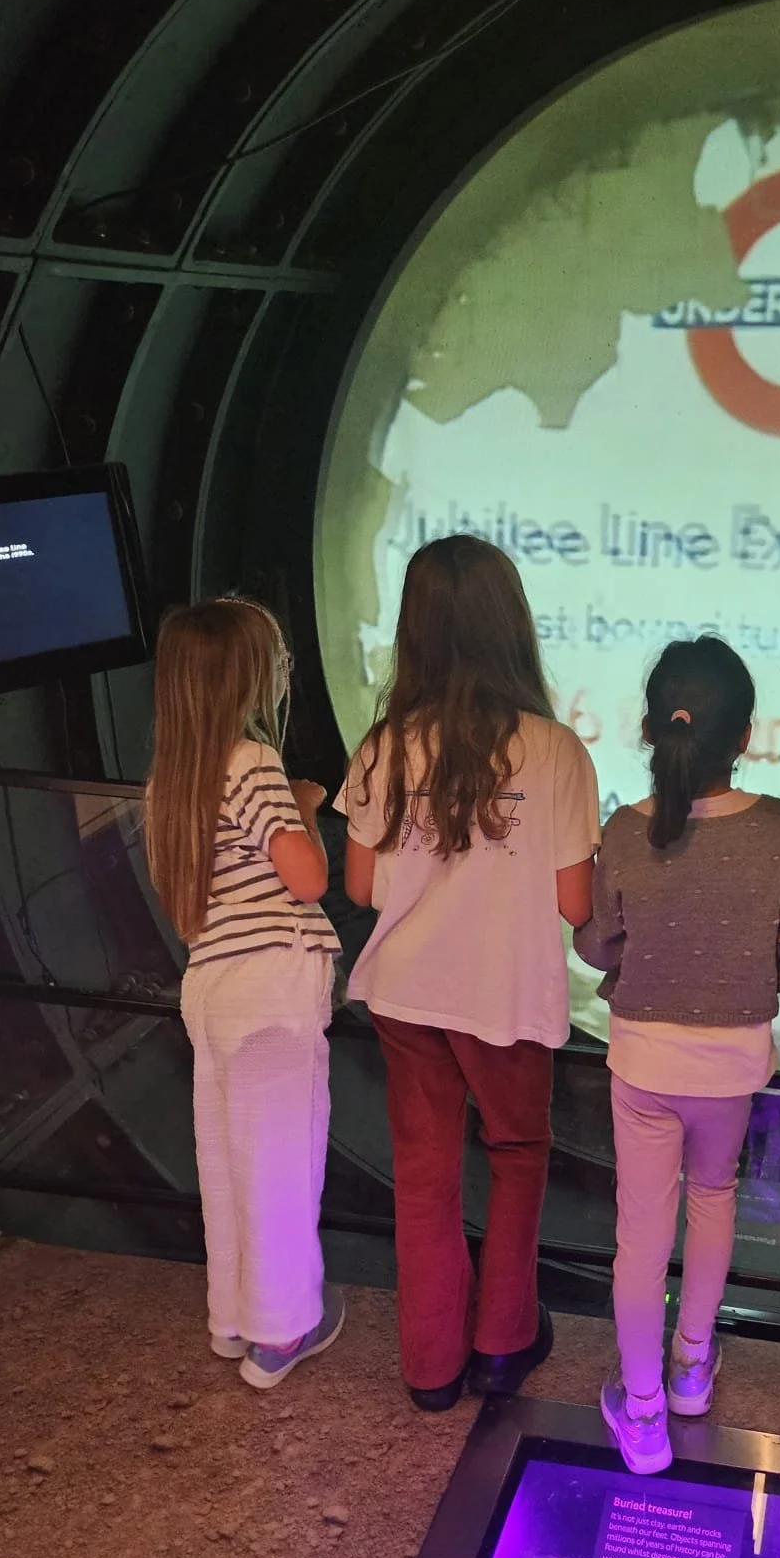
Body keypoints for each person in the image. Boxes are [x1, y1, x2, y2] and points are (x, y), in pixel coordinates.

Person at [338, 536, 599, 1412]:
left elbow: (363, 886)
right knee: (518, 1156)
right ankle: (501, 1343)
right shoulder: (557, 750)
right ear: (510, 625)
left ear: (414, 631)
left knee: (423, 1172)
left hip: (406, 992)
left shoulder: (382, 745)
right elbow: (573, 903)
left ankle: (430, 1368)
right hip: (503, 996)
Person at [574, 637, 780, 1473]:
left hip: (643, 1064)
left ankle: (642, 1412)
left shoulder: (623, 829)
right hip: (731, 1069)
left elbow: (600, 949)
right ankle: (692, 1368)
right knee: (713, 1202)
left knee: (640, 1236)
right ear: (746, 733)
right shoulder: (774, 829)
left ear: (649, 729)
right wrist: (766, 960)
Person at [145, 598, 344, 1389]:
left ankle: (232, 1320)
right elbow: (307, 877)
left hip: (213, 988)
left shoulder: (170, 782)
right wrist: (300, 808)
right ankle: (281, 1333)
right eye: (279, 660)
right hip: (271, 986)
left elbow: (187, 901)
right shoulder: (249, 762)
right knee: (283, 1166)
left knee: (228, 1162)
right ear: (248, 677)